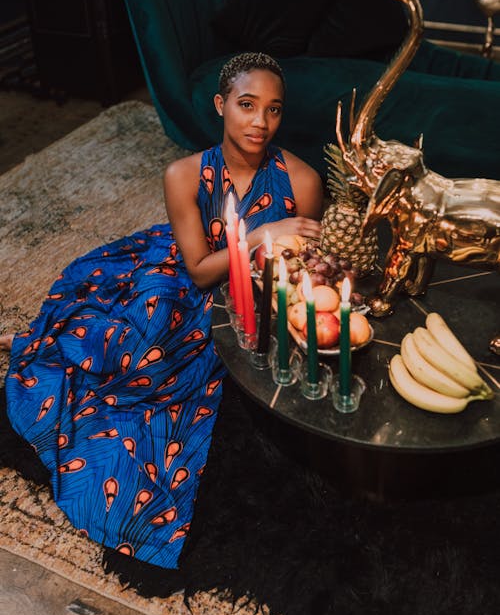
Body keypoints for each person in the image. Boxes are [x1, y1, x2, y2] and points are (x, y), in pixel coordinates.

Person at [0, 52, 323, 573]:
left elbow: (300, 267)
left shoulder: (303, 182)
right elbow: (197, 269)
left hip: (252, 290)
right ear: (221, 105)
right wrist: (261, 234)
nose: (260, 122)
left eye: (273, 110)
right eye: (246, 105)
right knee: (137, 346)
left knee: (222, 358)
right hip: (186, 269)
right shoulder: (183, 174)